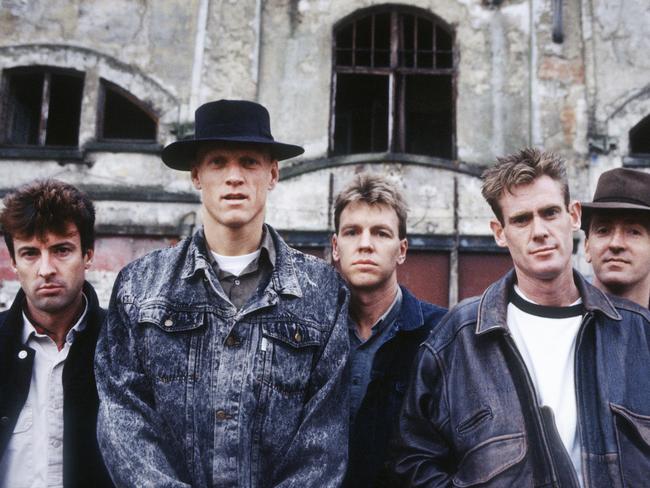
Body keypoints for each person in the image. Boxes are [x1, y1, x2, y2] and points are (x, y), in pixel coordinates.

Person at [95, 99, 349, 487]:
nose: (235, 177)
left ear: (273, 174)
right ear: (196, 175)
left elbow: (322, 445)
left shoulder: (322, 294)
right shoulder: (139, 287)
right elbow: (123, 421)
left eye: (249, 161)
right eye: (218, 162)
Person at [394, 148, 650, 487]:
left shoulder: (638, 331)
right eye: (521, 220)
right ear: (500, 232)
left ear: (573, 216)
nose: (540, 231)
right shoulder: (458, 340)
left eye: (549, 213)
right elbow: (413, 459)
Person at [331, 174, 446, 487]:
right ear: (336, 246)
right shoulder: (312, 332)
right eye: (352, 232)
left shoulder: (442, 335)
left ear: (402, 250)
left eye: (381, 233)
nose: (365, 244)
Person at [0, 180, 113, 488]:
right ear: (13, 262)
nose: (46, 268)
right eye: (30, 253)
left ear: (88, 255)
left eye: (61, 250)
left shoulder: (123, 346)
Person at [581, 167, 650, 307]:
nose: (616, 244)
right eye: (603, 230)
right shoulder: (566, 326)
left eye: (633, 232)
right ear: (587, 247)